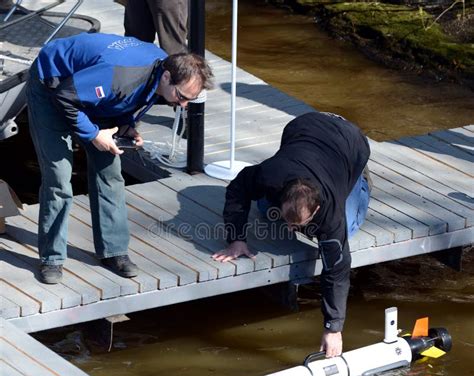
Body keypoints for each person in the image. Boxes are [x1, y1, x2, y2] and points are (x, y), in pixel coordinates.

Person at [27, 32, 213, 285]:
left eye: (190, 100)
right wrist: (94, 134)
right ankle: (52, 258)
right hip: (53, 86)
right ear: (167, 77)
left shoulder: (161, 70)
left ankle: (114, 251)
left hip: (88, 90)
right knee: (58, 179)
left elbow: (131, 98)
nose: (183, 106)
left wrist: (126, 126)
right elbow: (65, 97)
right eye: (182, 97)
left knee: (110, 174)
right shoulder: (121, 75)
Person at [212, 111, 371, 358]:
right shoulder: (271, 175)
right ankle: (286, 213)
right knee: (268, 211)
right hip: (305, 125)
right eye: (289, 221)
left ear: (317, 209)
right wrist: (236, 239)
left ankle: (362, 182)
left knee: (348, 224)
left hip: (349, 142)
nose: (289, 230)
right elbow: (238, 188)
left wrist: (333, 327)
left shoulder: (330, 215)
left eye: (297, 225)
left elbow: (337, 271)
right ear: (283, 192)